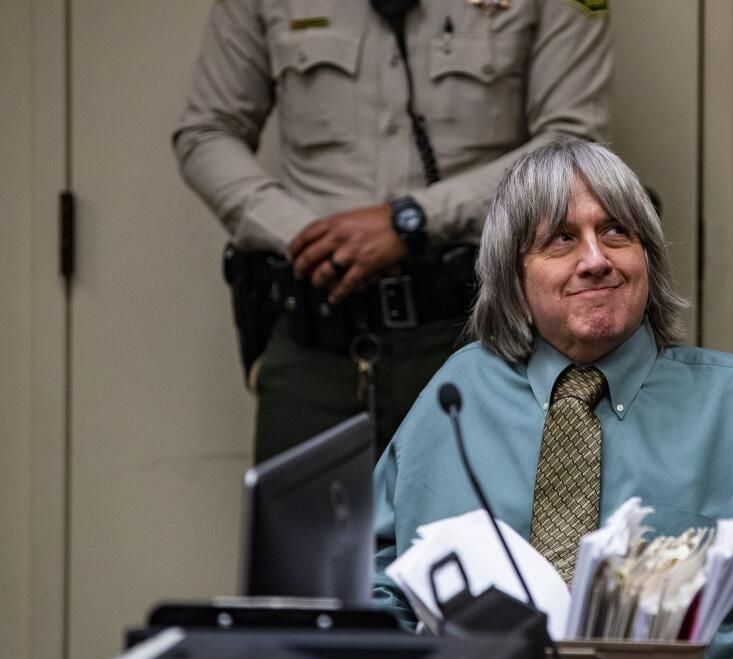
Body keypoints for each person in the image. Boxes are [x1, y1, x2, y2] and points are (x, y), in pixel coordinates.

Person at [372, 139, 733, 659]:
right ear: (514, 274)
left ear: (646, 257)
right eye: (561, 239)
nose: (596, 260)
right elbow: (375, 592)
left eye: (616, 232)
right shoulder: (457, 394)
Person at [173, 0, 612, 461]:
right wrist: (306, 237)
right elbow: (207, 131)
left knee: (483, 532)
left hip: (478, 336)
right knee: (299, 529)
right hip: (315, 340)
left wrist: (414, 220)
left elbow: (575, 140)